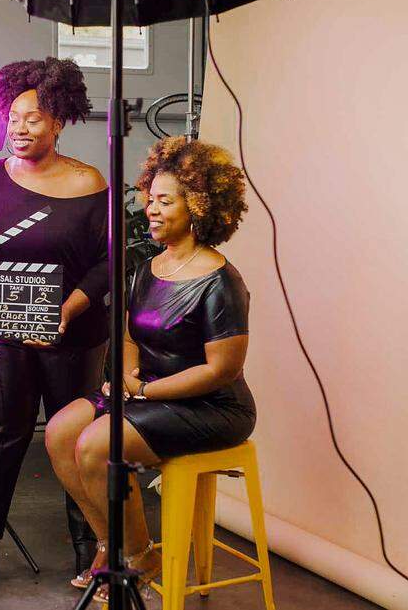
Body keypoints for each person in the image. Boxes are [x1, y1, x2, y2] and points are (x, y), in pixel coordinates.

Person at [44, 137, 254, 600]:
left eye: (166, 200)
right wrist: (127, 378)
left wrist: (143, 392)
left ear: (198, 205)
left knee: (99, 445)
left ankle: (140, 556)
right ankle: (111, 543)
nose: (151, 209)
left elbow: (221, 370)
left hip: (210, 406)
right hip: (145, 391)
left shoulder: (222, 281)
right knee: (60, 432)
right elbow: (128, 336)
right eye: (150, 198)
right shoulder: (149, 268)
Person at [0, 56, 109, 598]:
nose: (19, 128)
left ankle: (91, 547)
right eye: (14, 117)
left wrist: (68, 310)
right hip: (4, 332)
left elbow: (109, 264)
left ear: (59, 121)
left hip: (74, 334)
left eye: (34, 119)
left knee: (75, 439)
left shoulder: (90, 182)